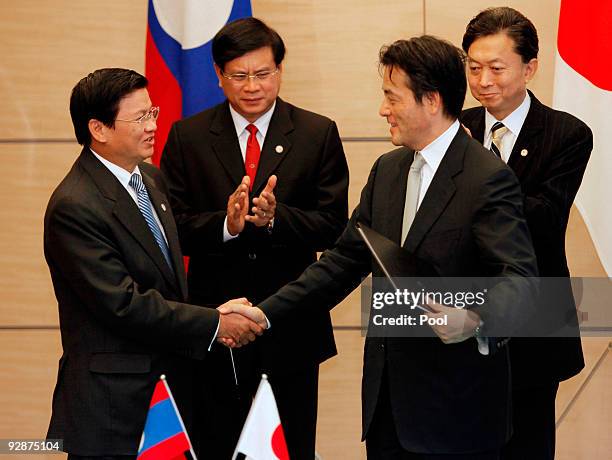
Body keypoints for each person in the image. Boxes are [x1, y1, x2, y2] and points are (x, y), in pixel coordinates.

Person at [231, 35, 538, 459]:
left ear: (431, 101)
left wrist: (474, 317)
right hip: (388, 410)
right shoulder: (388, 170)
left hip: (456, 411)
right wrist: (265, 313)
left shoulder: (486, 178)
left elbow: (521, 278)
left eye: (392, 98)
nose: (383, 110)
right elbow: (341, 263)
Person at [44, 68, 262, 459]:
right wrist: (215, 322)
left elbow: (162, 257)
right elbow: (124, 304)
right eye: (140, 117)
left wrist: (226, 226)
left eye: (153, 112)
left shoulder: (149, 177)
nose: (153, 126)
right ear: (98, 128)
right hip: (113, 408)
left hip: (166, 396)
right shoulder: (75, 205)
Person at [160, 17, 349, 460]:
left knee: (291, 445)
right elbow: (172, 231)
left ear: (280, 71)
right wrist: (226, 225)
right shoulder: (187, 137)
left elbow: (333, 225)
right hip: (214, 322)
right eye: (239, 75)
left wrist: (275, 219)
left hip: (291, 325)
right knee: (216, 445)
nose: (252, 86)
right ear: (219, 75)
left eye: (263, 74)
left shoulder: (316, 132)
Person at [459, 7, 593, 459]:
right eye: (473, 67)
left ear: (529, 67)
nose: (483, 80)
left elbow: (544, 216)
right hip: (462, 310)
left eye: (497, 68)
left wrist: (471, 190)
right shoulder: (453, 128)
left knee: (527, 444)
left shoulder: (566, 133)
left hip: (535, 316)